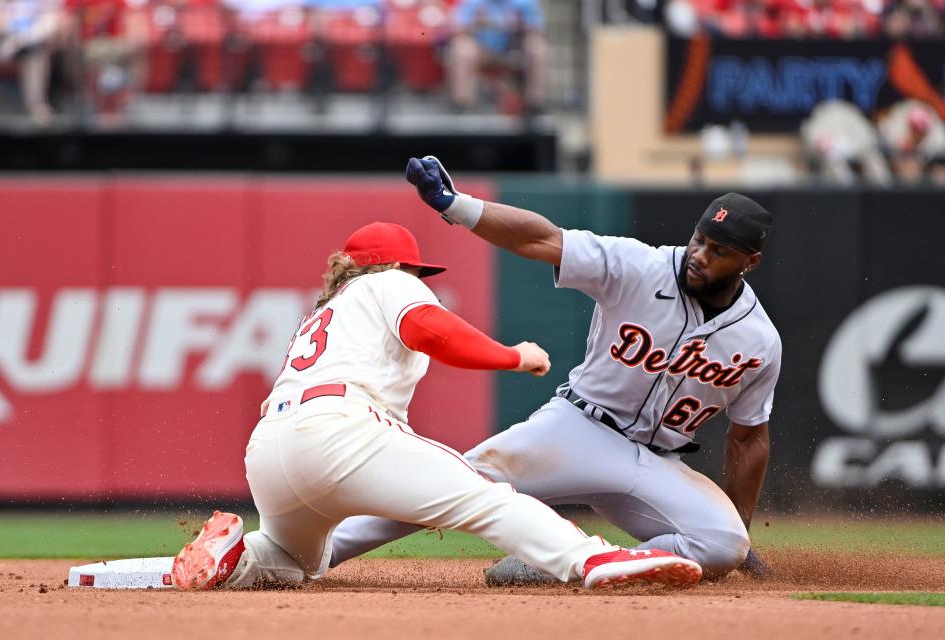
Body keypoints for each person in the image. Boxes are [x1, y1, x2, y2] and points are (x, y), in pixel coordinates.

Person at [171, 221, 704, 590]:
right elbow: (429, 328)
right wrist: (512, 356)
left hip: (269, 450)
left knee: (295, 560)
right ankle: (592, 558)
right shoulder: (389, 282)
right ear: (397, 266)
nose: (419, 282)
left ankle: (234, 560)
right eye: (416, 272)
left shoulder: (328, 310)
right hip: (340, 430)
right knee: (487, 497)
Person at [328, 157, 782, 584]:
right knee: (447, 485)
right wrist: (457, 205)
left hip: (656, 463)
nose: (700, 255)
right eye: (700, 239)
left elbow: (748, 437)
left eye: (719, 250)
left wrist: (740, 529)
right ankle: (311, 552)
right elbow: (542, 239)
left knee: (723, 547)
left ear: (750, 262)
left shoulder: (758, 341)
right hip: (577, 430)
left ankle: (563, 562)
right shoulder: (640, 266)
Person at [449, 0, 545, 113]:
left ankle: (534, 103)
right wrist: (477, 23)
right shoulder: (472, 3)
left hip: (512, 49)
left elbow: (537, 28)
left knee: (536, 46)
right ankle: (462, 103)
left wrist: (518, 25)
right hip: (480, 50)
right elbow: (458, 29)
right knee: (462, 48)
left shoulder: (524, 3)